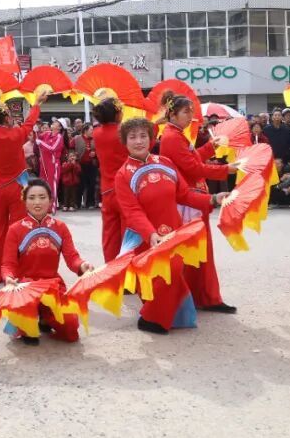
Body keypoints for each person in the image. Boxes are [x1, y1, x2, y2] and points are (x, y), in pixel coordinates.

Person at [115, 117, 228, 334]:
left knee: (173, 272)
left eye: (143, 136)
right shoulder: (123, 175)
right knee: (160, 278)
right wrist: (151, 234)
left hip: (174, 233)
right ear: (125, 141)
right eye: (132, 137)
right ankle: (152, 317)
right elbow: (132, 212)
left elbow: (185, 195)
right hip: (146, 238)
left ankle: (154, 317)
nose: (138, 141)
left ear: (150, 138)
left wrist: (213, 199)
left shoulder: (165, 163)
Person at [158, 94, 239, 313]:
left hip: (191, 196)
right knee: (198, 250)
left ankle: (199, 295)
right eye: (186, 112)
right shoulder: (172, 137)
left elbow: (192, 160)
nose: (190, 116)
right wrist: (226, 169)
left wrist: (210, 147)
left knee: (197, 250)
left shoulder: (175, 135)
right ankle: (205, 297)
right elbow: (193, 168)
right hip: (188, 200)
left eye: (191, 112)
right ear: (173, 114)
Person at [1, 178, 93, 345]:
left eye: (42, 197)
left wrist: (82, 265)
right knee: (29, 333)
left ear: (51, 200)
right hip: (26, 287)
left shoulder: (60, 227)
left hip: (52, 285)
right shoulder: (15, 230)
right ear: (24, 201)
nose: (37, 202)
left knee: (71, 329)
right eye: (32, 197)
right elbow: (8, 264)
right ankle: (29, 317)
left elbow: (72, 257)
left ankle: (44, 317)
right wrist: (8, 277)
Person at [0, 89, 48, 283]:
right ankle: (15, 271)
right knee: (17, 229)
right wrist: (37, 103)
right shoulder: (16, 134)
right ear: (7, 118)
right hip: (17, 187)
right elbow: (29, 123)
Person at [92, 98, 129, 262]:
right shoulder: (124, 132)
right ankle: (128, 269)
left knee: (110, 234)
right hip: (126, 187)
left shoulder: (97, 133)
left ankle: (111, 268)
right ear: (117, 114)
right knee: (128, 234)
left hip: (107, 189)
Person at [35, 119, 66, 211]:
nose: (53, 123)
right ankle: (44, 206)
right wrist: (35, 130)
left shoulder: (59, 137)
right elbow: (37, 137)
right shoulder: (47, 133)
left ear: (59, 127)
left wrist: (41, 143)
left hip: (53, 164)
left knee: (52, 185)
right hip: (44, 163)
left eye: (56, 122)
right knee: (43, 184)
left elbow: (53, 148)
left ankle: (52, 206)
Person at [79, 124, 98, 210]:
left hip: (92, 165)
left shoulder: (95, 139)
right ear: (85, 130)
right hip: (80, 164)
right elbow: (71, 149)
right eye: (91, 130)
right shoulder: (77, 138)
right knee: (80, 184)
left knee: (92, 184)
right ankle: (77, 202)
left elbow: (100, 150)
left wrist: (95, 153)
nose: (92, 132)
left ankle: (90, 203)